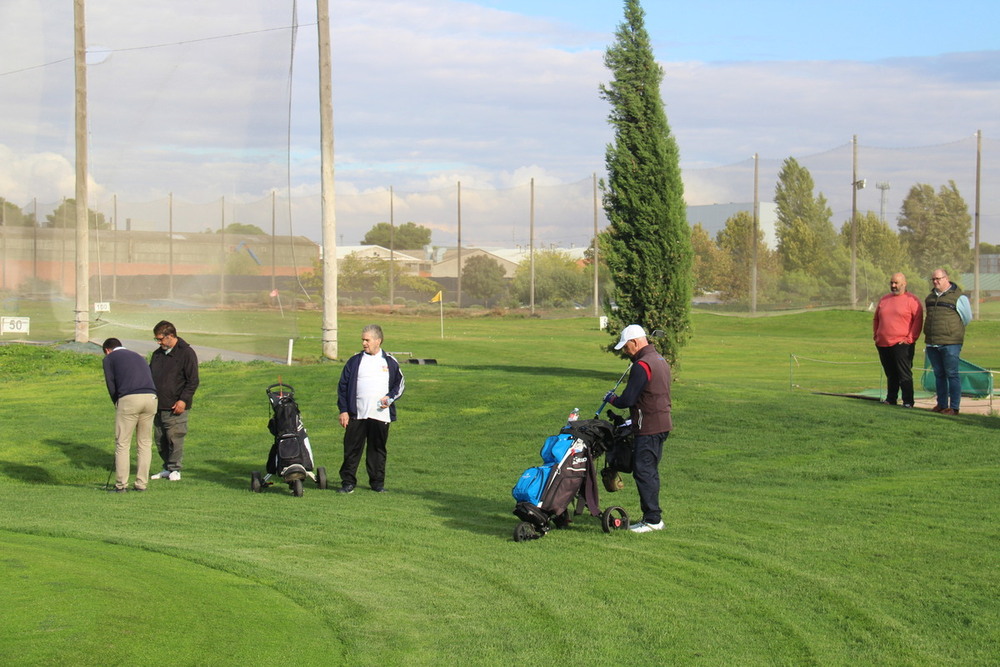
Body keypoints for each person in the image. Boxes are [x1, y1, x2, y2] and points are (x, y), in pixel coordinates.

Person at [603, 324, 672, 533]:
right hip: (661, 423)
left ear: (635, 342)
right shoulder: (659, 360)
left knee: (644, 471)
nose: (625, 351)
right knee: (648, 470)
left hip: (649, 426)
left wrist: (611, 399)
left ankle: (652, 520)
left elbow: (628, 399)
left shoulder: (642, 365)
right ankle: (652, 518)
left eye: (626, 347)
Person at [336, 324, 405, 494]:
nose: (364, 343)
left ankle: (377, 484)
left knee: (377, 450)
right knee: (352, 449)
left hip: (381, 416)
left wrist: (389, 398)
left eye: (367, 340)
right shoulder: (355, 361)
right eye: (363, 340)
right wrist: (344, 410)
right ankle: (348, 483)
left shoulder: (389, 361)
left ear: (378, 341)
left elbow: (400, 384)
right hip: (357, 414)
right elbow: (343, 386)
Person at [102, 338, 159, 493]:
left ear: (107, 350)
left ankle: (121, 485)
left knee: (122, 443)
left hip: (130, 398)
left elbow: (111, 383)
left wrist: (116, 402)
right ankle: (141, 484)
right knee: (145, 443)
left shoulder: (109, 358)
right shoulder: (137, 355)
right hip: (151, 398)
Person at [149, 321, 200, 480]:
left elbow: (193, 381)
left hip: (176, 405)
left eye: (160, 339)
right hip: (158, 405)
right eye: (157, 339)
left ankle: (175, 469)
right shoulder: (157, 354)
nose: (159, 342)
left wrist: (183, 400)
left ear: (170, 336)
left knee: (175, 437)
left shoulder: (186, 353)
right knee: (160, 439)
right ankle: (166, 467)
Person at [924, 269, 971, 415]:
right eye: (933, 279)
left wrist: (950, 330)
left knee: (952, 374)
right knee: (939, 374)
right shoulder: (930, 298)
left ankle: (954, 407)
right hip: (932, 342)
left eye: (938, 278)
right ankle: (942, 404)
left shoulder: (959, 297)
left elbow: (967, 318)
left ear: (946, 278)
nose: (935, 282)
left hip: (951, 343)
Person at [872, 273, 923, 407]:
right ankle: (891, 398)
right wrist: (876, 335)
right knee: (890, 373)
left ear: (904, 283)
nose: (893, 286)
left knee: (904, 374)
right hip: (883, 343)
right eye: (891, 283)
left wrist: (910, 338)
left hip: (902, 344)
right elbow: (876, 318)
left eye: (896, 283)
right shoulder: (884, 299)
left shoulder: (912, 300)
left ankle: (908, 401)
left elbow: (918, 321)